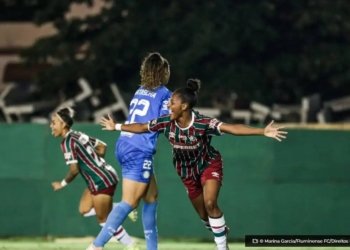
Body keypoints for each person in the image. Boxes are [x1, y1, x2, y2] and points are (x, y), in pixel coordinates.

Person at [99, 79, 287, 250]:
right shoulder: (165, 122)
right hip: (186, 172)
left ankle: (222, 247)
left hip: (208, 165)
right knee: (205, 216)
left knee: (210, 203)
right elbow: (141, 127)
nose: (167, 105)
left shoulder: (203, 123)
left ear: (185, 106)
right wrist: (116, 126)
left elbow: (232, 128)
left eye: (172, 102)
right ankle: (219, 231)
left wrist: (263, 131)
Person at [87, 52, 172, 250]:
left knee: (151, 198)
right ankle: (96, 246)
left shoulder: (140, 90)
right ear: (163, 72)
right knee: (130, 202)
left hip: (125, 144)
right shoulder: (164, 93)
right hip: (139, 148)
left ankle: (152, 248)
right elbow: (161, 123)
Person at [50, 107, 137, 249]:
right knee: (84, 210)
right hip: (102, 176)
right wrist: (94, 163)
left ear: (63, 124)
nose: (51, 126)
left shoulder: (67, 143)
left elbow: (74, 170)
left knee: (103, 220)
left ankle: (131, 245)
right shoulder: (78, 135)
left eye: (54, 123)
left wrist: (62, 183)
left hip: (101, 180)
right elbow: (102, 146)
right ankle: (122, 208)